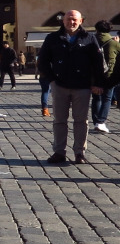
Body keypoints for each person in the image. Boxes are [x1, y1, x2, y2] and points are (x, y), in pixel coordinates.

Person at [37, 9, 106, 164]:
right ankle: (59, 152)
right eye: (68, 19)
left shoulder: (89, 38)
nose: (71, 22)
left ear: (81, 21)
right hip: (60, 85)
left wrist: (97, 83)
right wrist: (51, 80)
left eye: (75, 19)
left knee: (81, 121)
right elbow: (42, 61)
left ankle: (79, 152)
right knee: (59, 120)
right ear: (63, 21)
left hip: (82, 86)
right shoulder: (53, 38)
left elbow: (98, 62)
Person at [91, 20, 118, 133]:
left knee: (96, 98)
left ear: (96, 29)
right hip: (109, 75)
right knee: (107, 99)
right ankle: (101, 122)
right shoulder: (113, 43)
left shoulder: (91, 40)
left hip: (94, 75)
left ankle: (96, 121)